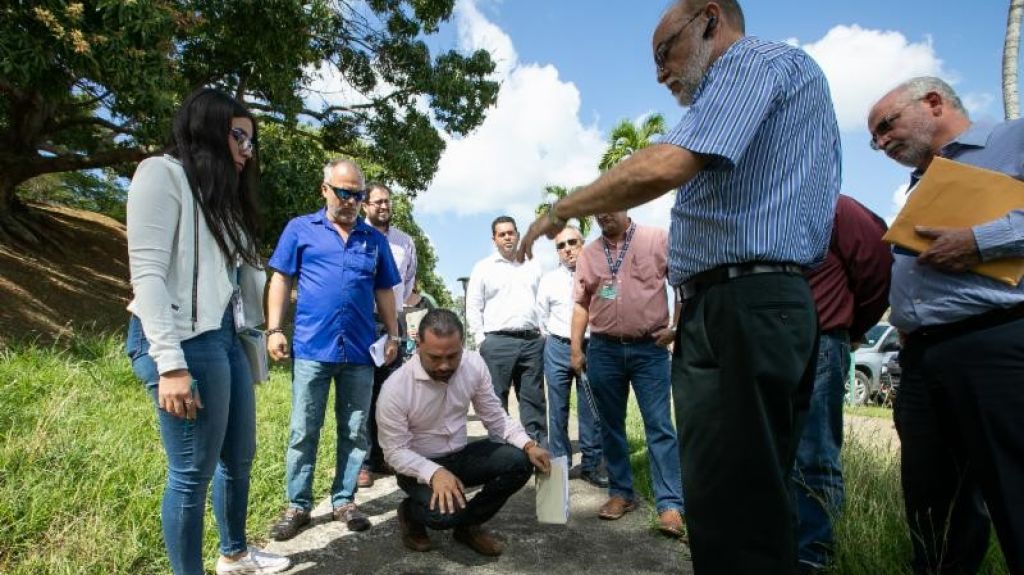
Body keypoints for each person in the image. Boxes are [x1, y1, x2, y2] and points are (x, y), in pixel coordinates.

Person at [517, 1, 840, 570]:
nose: (660, 73)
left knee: (742, 493)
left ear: (710, 20)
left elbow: (667, 163)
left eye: (665, 52)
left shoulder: (753, 62)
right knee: (721, 493)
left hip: (747, 302)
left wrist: (562, 207)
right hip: (725, 307)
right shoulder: (742, 89)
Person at [125, 88, 290, 574]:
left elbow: (236, 284)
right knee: (190, 474)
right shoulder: (162, 174)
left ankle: (234, 554)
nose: (246, 150)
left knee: (239, 457)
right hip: (181, 342)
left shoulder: (222, 205)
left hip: (226, 340)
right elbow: (148, 275)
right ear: (208, 128)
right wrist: (170, 364)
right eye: (239, 136)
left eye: (251, 142)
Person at [868, 76, 1024, 574]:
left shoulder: (1012, 140)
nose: (881, 143)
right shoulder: (919, 183)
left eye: (886, 126)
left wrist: (981, 240)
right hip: (921, 361)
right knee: (933, 507)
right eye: (874, 139)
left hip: (995, 344)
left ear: (934, 103)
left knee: (1014, 491)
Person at [264, 158, 402, 541]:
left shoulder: (373, 240)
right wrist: (274, 328)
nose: (351, 201)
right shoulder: (300, 229)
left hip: (359, 351)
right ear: (324, 189)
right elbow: (281, 278)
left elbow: (385, 290)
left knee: (356, 430)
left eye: (358, 194)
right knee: (303, 429)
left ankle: (344, 500)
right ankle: (298, 505)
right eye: (344, 192)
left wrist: (393, 335)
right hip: (311, 347)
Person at [376, 309, 552, 556]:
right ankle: (410, 513)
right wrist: (434, 472)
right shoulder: (395, 389)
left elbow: (495, 417)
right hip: (417, 467)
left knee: (520, 462)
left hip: (460, 455)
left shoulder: (473, 364)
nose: (445, 365)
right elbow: (394, 452)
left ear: (462, 345)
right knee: (444, 514)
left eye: (452, 355)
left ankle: (468, 527)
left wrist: (529, 445)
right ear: (418, 346)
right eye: (435, 357)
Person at [791, 194, 892, 573]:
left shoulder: (836, 207)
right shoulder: (762, 208)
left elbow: (877, 268)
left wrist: (852, 324)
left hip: (820, 340)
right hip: (769, 343)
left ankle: (812, 556)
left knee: (814, 454)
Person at [572, 211, 683, 537]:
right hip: (604, 349)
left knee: (660, 427)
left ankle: (670, 505)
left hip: (650, 349)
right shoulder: (590, 253)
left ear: (626, 206)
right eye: (597, 210)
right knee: (610, 426)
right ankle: (621, 493)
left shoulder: (657, 239)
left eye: (611, 205)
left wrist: (675, 328)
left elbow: (681, 284)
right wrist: (576, 349)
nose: (603, 214)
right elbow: (581, 302)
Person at [535, 226, 607, 488]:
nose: (567, 249)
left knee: (590, 408)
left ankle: (591, 465)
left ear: (583, 243)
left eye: (572, 242)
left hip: (591, 346)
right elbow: (540, 317)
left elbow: (611, 302)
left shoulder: (600, 275)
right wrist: (557, 340)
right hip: (557, 347)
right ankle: (560, 468)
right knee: (558, 410)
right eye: (560, 246)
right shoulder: (549, 280)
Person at [466, 216, 547, 444]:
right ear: (494, 239)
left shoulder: (533, 265)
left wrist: (542, 333)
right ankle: (502, 448)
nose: (507, 237)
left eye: (511, 232)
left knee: (534, 400)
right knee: (495, 400)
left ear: (518, 235)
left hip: (531, 342)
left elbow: (542, 302)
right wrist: (482, 341)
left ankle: (538, 448)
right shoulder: (483, 268)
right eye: (502, 234)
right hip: (497, 343)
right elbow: (473, 305)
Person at [359, 182, 418, 488]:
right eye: (377, 202)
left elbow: (407, 284)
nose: (384, 206)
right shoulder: (356, 234)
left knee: (390, 392)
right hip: (362, 321)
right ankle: (364, 462)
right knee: (363, 391)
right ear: (364, 205)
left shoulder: (404, 241)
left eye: (387, 201)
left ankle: (384, 456)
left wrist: (393, 316)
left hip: (392, 323)